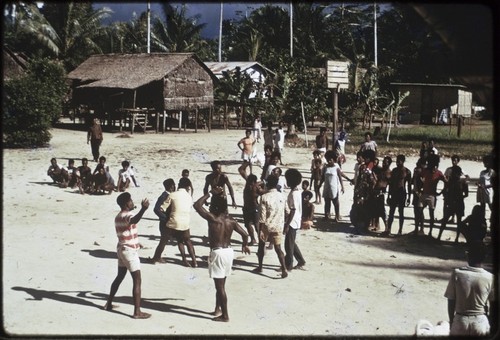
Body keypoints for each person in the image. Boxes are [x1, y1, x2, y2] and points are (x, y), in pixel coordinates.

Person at [193, 186, 251, 322]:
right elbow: (245, 234)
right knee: (221, 285)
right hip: (229, 252)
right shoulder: (231, 221)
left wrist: (209, 193)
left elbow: (197, 205)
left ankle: (225, 315)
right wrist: (244, 244)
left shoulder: (213, 219)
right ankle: (218, 309)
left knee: (219, 287)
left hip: (218, 253)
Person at [104, 192, 151, 319]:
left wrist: (137, 242)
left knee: (119, 277)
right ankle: (137, 312)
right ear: (126, 203)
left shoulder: (118, 216)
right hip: (129, 251)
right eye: (130, 201)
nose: (132, 202)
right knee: (137, 280)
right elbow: (134, 220)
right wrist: (143, 209)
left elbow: (126, 232)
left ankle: (108, 303)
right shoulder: (128, 215)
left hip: (121, 249)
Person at [444, 241, 496, 336]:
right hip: (480, 322)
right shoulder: (490, 278)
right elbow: (493, 305)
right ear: (485, 257)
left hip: (460, 321)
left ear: (467, 255)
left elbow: (451, 300)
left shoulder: (457, 273)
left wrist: (452, 321)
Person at [253, 175, 288, 278]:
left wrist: (260, 230)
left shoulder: (264, 197)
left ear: (267, 184)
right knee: (278, 248)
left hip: (266, 226)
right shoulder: (282, 196)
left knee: (261, 246)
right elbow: (287, 211)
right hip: (279, 225)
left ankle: (260, 266)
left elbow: (262, 217)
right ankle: (284, 269)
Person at [162, 177, 197, 267]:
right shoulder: (189, 197)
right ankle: (194, 261)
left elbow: (162, 208)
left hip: (174, 222)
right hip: (186, 222)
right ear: (188, 187)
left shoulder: (172, 195)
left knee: (179, 241)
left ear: (179, 184)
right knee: (188, 241)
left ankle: (184, 260)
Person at [437, 163, 468, 242]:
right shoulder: (462, 181)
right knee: (457, 221)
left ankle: (439, 237)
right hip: (458, 203)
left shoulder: (452, 181)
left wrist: (449, 198)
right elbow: (466, 194)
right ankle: (456, 239)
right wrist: (460, 198)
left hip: (453, 203)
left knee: (446, 220)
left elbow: (445, 189)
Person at [418, 154, 445, 237]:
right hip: (427, 194)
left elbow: (446, 182)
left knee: (430, 214)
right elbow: (419, 178)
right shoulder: (430, 171)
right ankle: (423, 229)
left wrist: (440, 192)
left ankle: (428, 231)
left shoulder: (436, 173)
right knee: (421, 211)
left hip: (431, 195)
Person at [284, 168, 306, 271]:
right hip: (296, 220)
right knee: (291, 242)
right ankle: (301, 260)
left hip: (292, 221)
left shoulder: (293, 194)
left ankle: (289, 265)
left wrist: (287, 224)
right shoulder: (298, 191)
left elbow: (293, 210)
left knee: (288, 245)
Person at [150, 178, 176, 264]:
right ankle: (156, 258)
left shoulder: (167, 195)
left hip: (166, 221)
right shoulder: (164, 196)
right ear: (172, 186)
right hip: (165, 222)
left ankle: (157, 257)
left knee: (164, 240)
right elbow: (156, 209)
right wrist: (165, 218)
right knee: (163, 240)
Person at [386, 155, 412, 236]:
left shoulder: (407, 172)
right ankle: (389, 229)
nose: (397, 162)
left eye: (399, 161)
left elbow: (409, 185)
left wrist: (409, 197)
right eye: (397, 161)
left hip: (402, 193)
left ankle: (400, 230)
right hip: (394, 193)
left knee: (401, 212)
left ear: (403, 161)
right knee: (391, 212)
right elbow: (390, 184)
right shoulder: (394, 170)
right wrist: (388, 195)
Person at [318, 150, 345, 222]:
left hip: (334, 188)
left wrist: (342, 187)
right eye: (327, 160)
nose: (329, 161)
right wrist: (319, 185)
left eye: (330, 160)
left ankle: (337, 215)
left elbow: (340, 177)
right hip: (327, 187)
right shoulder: (325, 167)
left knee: (335, 202)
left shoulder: (336, 167)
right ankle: (327, 215)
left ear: (333, 159)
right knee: (327, 202)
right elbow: (323, 178)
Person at [371, 156, 392, 234]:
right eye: (383, 162)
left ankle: (387, 228)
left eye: (385, 162)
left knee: (382, 211)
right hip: (376, 191)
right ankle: (377, 225)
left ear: (389, 164)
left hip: (381, 193)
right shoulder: (380, 170)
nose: (383, 163)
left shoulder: (389, 173)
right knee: (375, 209)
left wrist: (388, 195)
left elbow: (390, 185)